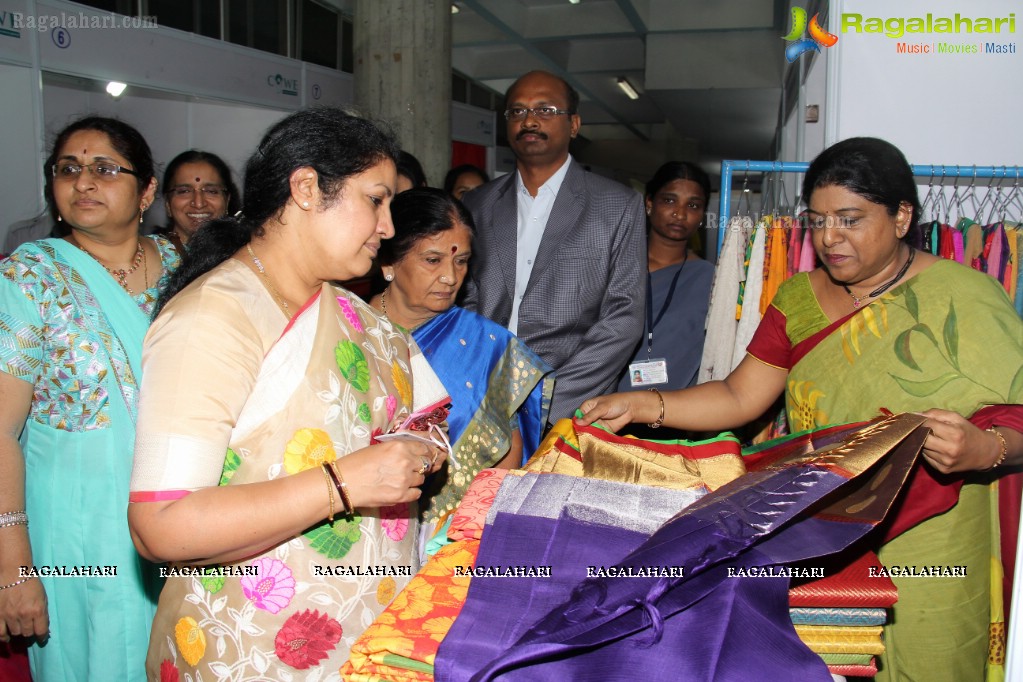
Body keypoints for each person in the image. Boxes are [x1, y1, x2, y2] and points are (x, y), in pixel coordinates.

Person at [578, 137, 1023, 681]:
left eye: (850, 219)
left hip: (934, 534)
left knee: (932, 660)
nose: (829, 238)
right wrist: (646, 403)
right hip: (821, 526)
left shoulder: (966, 296)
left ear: (902, 215)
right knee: (823, 658)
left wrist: (987, 447)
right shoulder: (799, 297)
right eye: (817, 221)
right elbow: (741, 396)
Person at [127, 107, 449, 677]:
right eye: (375, 200)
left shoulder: (359, 316)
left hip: (366, 628)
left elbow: (423, 419)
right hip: (249, 644)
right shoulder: (214, 318)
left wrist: (418, 449)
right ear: (306, 188)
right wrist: (345, 482)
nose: (389, 228)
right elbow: (163, 524)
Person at [0, 116, 180, 680]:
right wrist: (12, 567)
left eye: (105, 169)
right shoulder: (28, 277)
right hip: (72, 529)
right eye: (68, 170)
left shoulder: (185, 270)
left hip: (178, 514)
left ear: (147, 189)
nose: (83, 182)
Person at [370, 187, 553, 546]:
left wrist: (462, 541)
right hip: (361, 525)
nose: (451, 277)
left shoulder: (487, 346)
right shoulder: (348, 332)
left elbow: (506, 461)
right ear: (389, 262)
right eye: (432, 260)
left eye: (461, 261)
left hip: (453, 537)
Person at [461, 70, 646, 423]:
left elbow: (623, 318)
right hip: (481, 395)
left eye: (545, 110)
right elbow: (464, 296)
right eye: (517, 112)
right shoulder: (477, 204)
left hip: (567, 407)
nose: (529, 120)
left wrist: (546, 403)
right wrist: (479, 386)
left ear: (574, 124)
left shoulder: (618, 205)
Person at [618, 162, 715, 396]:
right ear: (649, 203)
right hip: (610, 406)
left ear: (702, 215)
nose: (680, 214)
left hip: (680, 412)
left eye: (693, 205)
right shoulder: (617, 266)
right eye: (670, 201)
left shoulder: (710, 279)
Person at [155, 150, 240, 252]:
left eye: (211, 191)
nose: (199, 204)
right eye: (184, 191)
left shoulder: (245, 256)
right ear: (167, 203)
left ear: (227, 201)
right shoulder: (149, 256)